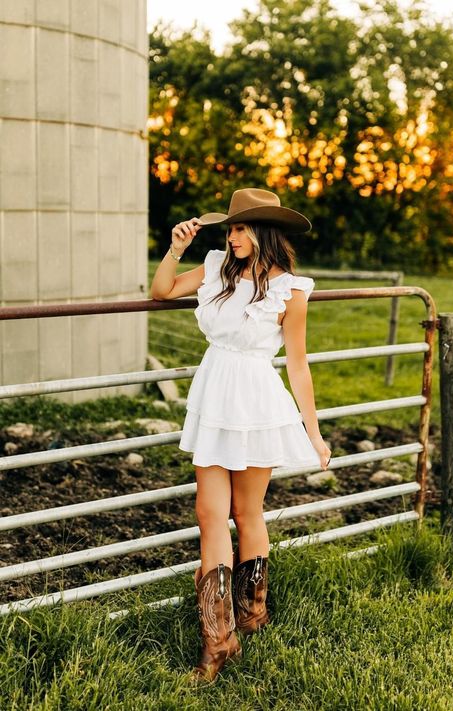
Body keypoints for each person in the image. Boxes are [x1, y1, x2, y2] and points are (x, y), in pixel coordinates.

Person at [150, 188, 331, 683]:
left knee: (246, 512)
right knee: (209, 513)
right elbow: (161, 291)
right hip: (213, 397)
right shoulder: (214, 269)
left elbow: (297, 362)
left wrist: (312, 432)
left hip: (256, 401)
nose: (232, 237)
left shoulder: (290, 289)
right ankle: (219, 640)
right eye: (229, 228)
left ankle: (252, 617)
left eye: (240, 228)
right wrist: (175, 247)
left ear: (264, 231)